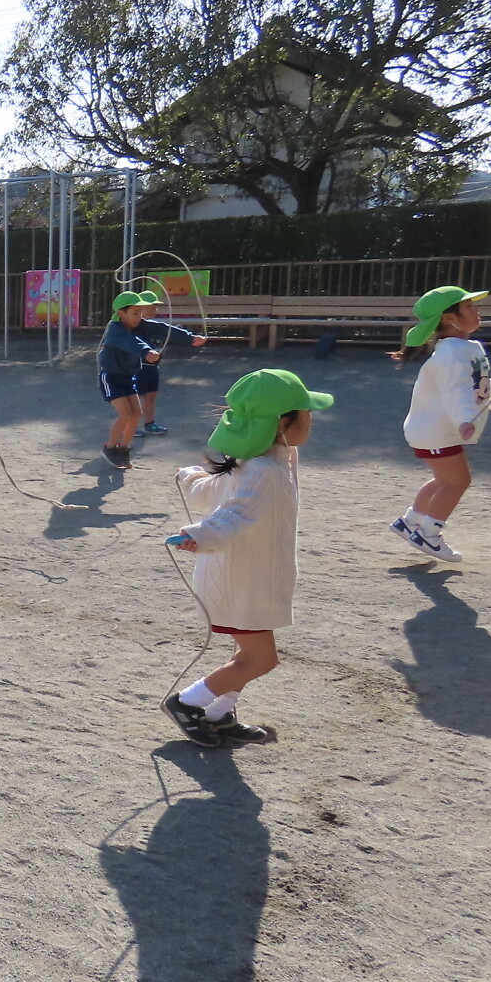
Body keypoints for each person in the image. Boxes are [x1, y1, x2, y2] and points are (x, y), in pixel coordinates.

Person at [162, 369, 334, 747]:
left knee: (248, 654)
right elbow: (233, 516)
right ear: (282, 423)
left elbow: (210, 490)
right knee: (260, 659)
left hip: (248, 577)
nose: (311, 418)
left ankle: (218, 713)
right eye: (305, 411)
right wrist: (199, 536)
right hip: (239, 580)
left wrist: (189, 477)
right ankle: (188, 703)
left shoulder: (261, 459)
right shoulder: (264, 469)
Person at [389, 286, 491, 563]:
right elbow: (456, 390)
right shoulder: (452, 354)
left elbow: (481, 385)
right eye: (469, 307)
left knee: (445, 480)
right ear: (449, 318)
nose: (476, 311)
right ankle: (428, 534)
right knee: (458, 481)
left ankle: (410, 522)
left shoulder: (463, 349)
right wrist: (465, 419)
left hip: (433, 431)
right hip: (435, 431)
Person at [98, 291, 161, 470]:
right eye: (135, 312)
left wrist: (190, 337)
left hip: (127, 377)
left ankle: (123, 449)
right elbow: (133, 344)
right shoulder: (116, 330)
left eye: (140, 312)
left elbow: (159, 331)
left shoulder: (136, 328)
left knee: (136, 414)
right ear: (121, 313)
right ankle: (109, 448)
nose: (140, 316)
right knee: (126, 414)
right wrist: (146, 352)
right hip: (111, 378)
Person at [133, 288, 206, 435]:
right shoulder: (135, 326)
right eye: (148, 307)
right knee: (136, 398)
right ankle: (132, 426)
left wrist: (191, 338)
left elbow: (169, 331)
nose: (152, 310)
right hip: (137, 367)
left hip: (152, 367)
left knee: (151, 396)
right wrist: (190, 338)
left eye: (154, 307)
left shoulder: (155, 326)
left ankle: (149, 423)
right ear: (138, 309)